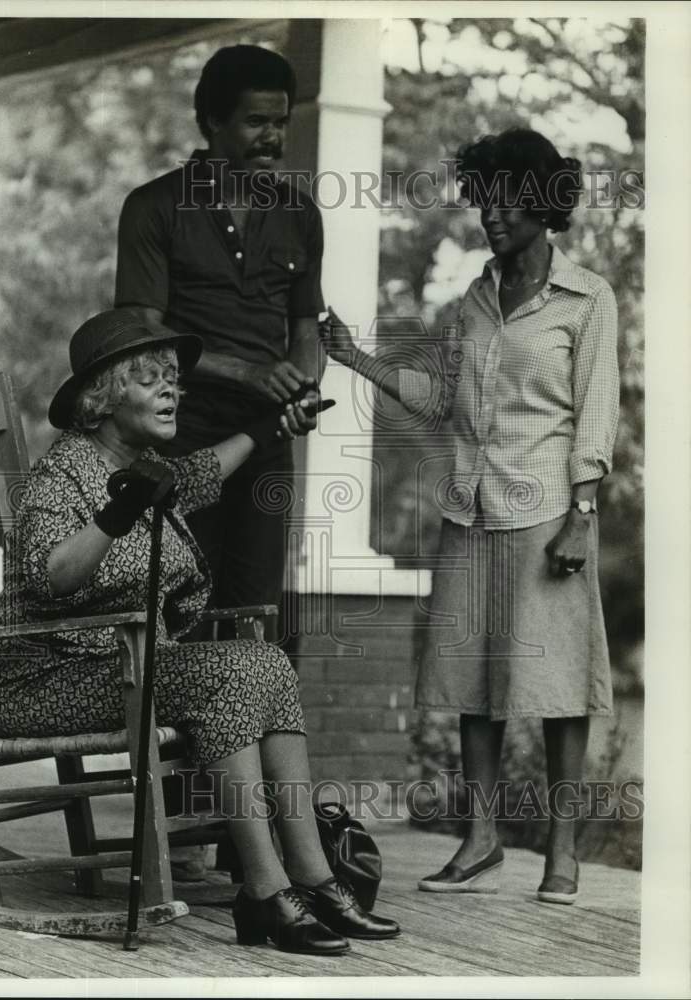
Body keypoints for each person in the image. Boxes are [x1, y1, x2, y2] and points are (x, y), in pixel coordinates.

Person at [0, 308, 398, 953]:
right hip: (46, 678)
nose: (172, 390)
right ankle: (264, 891)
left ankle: (313, 878)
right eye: (151, 379)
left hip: (124, 666)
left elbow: (205, 469)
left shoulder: (151, 467)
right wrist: (120, 510)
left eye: (173, 378)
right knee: (230, 674)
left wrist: (271, 426)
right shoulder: (62, 474)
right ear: (103, 397)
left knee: (267, 662)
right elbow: (49, 576)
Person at [320, 129, 620, 905]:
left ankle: (561, 852)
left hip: (549, 513)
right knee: (470, 681)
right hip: (471, 509)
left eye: (507, 200)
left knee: (557, 686)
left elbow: (596, 413)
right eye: (483, 199)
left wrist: (583, 512)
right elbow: (443, 400)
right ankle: (481, 838)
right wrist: (357, 358)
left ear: (544, 204)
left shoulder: (588, 298)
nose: (491, 214)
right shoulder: (474, 301)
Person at [114, 44, 325, 618]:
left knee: (254, 613)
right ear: (211, 120)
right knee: (178, 609)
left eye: (280, 122)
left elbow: (306, 328)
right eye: (256, 121)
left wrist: (304, 391)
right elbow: (140, 333)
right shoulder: (154, 206)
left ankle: (248, 684)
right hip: (179, 438)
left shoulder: (301, 214)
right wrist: (247, 372)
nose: (272, 138)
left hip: (265, 441)